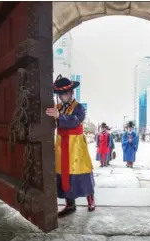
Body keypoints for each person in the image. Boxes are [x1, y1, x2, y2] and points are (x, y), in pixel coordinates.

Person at [46, 74, 95, 218]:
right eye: (60, 94)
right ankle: (70, 204)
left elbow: (74, 121)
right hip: (62, 144)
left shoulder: (79, 107)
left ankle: (90, 200)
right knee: (63, 173)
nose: (62, 96)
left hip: (76, 145)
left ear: (71, 92)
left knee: (82, 171)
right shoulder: (57, 107)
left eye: (65, 93)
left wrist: (59, 116)